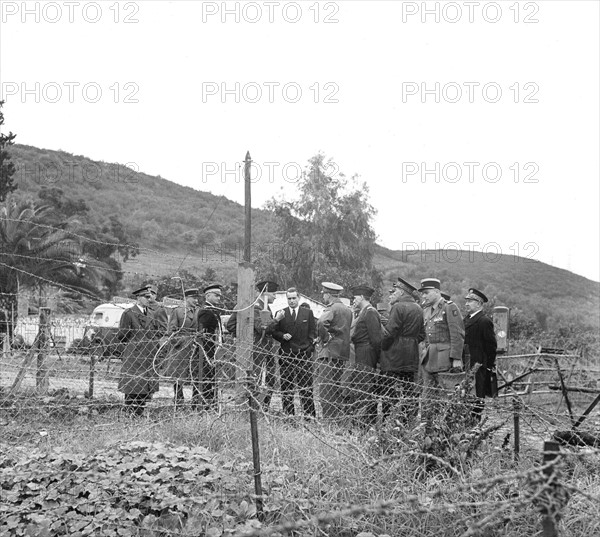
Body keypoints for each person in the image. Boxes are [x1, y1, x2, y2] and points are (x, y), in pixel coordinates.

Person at [227, 281, 278, 412]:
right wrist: (242, 339)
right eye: (273, 294)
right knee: (257, 378)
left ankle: (263, 408)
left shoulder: (264, 306)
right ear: (265, 294)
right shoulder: (256, 307)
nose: (275, 297)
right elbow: (262, 328)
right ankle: (254, 408)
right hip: (257, 349)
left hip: (265, 348)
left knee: (269, 379)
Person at [379, 278, 425, 423]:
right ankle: (408, 420)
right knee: (408, 389)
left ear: (401, 292)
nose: (394, 294)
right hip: (411, 355)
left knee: (389, 389)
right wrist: (410, 342)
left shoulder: (398, 307)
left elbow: (390, 332)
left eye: (396, 291)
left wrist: (383, 347)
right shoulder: (418, 308)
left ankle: (388, 420)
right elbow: (422, 334)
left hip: (394, 354)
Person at [419, 278, 465, 422]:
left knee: (446, 396)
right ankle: (428, 425)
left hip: (444, 359)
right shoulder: (426, 310)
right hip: (429, 358)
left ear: (437, 292)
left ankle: (446, 426)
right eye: (422, 293)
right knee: (428, 397)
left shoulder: (449, 307)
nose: (424, 296)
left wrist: (457, 358)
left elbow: (457, 334)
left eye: (427, 293)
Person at [272, 288, 317, 418]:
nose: (291, 301)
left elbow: (313, 332)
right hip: (287, 355)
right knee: (287, 388)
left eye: (293, 298)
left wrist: (309, 348)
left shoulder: (307, 313)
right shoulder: (281, 313)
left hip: (303, 355)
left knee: (306, 388)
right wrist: (282, 335)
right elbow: (273, 332)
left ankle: (309, 416)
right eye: (289, 298)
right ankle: (288, 415)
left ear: (299, 298)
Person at [116, 286, 161, 416]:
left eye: (150, 296)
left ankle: (139, 411)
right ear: (138, 298)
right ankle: (130, 411)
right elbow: (122, 335)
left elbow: (156, 331)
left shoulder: (152, 313)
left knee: (145, 385)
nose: (149, 299)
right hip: (134, 353)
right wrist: (135, 343)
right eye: (146, 297)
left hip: (148, 353)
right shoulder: (129, 313)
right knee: (133, 385)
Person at [315, 282, 352, 420]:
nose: (323, 297)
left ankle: (329, 420)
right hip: (342, 352)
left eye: (324, 294)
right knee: (336, 388)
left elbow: (320, 323)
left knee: (326, 390)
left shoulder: (332, 308)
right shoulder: (347, 309)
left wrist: (324, 338)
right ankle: (337, 419)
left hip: (329, 352)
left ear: (328, 294)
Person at [348, 285, 382, 426]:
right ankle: (363, 421)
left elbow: (376, 339)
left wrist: (377, 359)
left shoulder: (370, 312)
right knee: (361, 386)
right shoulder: (364, 312)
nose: (353, 300)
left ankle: (367, 423)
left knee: (365, 387)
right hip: (361, 352)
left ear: (361, 297)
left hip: (367, 353)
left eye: (355, 297)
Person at [163, 288, 202, 407]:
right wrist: (181, 340)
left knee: (196, 375)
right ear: (186, 298)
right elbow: (171, 330)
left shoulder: (200, 311)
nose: (196, 300)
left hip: (196, 346)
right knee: (178, 376)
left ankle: (195, 401)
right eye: (193, 298)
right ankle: (179, 401)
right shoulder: (178, 312)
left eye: (197, 298)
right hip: (180, 348)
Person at [463, 288, 498, 419]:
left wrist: (486, 365)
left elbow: (491, 347)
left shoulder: (484, 321)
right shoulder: (466, 319)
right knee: (465, 397)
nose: (466, 304)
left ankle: (474, 425)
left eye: (470, 301)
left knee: (476, 399)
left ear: (479, 304)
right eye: (466, 301)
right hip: (466, 364)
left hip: (478, 366)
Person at [195, 283, 224, 409]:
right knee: (205, 378)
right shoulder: (206, 311)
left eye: (219, 296)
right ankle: (202, 405)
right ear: (208, 295)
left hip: (212, 350)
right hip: (206, 350)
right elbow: (203, 333)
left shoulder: (213, 310)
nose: (219, 298)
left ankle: (209, 404)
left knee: (211, 379)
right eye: (216, 295)